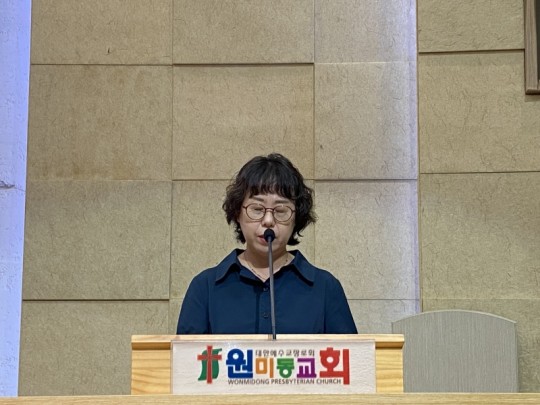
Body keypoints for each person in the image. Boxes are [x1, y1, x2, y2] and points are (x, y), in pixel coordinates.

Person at [177, 153, 357, 335]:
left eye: (281, 210)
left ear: (297, 217)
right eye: (257, 209)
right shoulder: (205, 287)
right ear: (238, 213)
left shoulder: (325, 287)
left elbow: (352, 352)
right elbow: (187, 353)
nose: (268, 220)